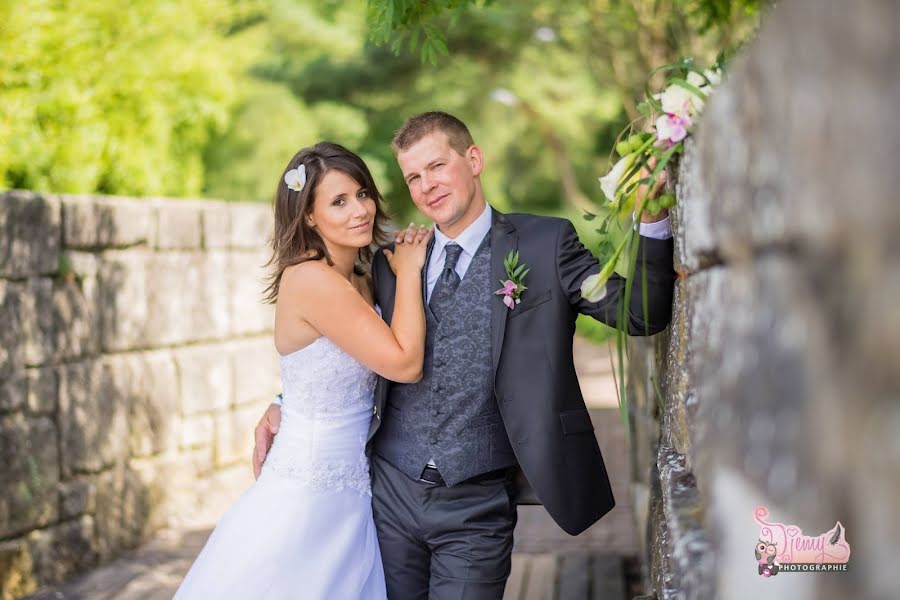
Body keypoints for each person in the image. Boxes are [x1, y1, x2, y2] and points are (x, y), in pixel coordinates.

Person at [254, 111, 676, 599]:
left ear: (473, 159)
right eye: (413, 177)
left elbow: (642, 313)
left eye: (436, 166)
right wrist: (287, 401)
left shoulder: (544, 244)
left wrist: (652, 221)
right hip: (387, 497)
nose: (427, 185)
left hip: (477, 506)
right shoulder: (391, 263)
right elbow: (337, 343)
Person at [174, 142, 432, 599]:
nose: (360, 210)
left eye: (362, 194)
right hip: (311, 492)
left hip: (354, 489)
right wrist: (411, 272)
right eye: (339, 202)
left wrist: (280, 401)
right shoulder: (313, 280)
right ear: (309, 218)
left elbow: (321, 368)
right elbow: (405, 364)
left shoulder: (363, 272)